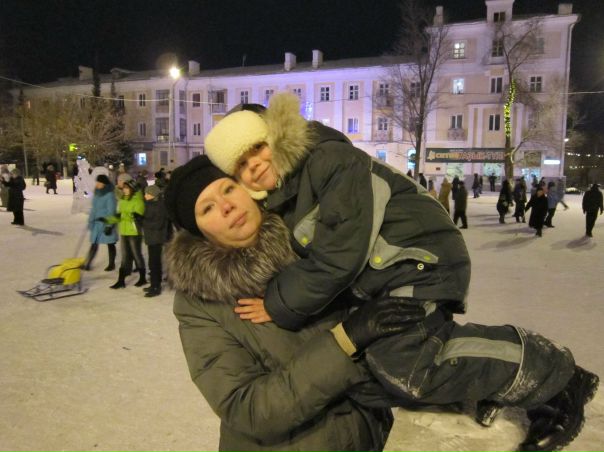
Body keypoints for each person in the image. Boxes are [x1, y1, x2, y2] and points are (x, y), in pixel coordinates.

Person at [164, 156, 599, 452]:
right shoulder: (201, 303)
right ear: (199, 231)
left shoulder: (309, 240)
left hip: (367, 434)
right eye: (207, 208)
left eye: (227, 188)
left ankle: (545, 377)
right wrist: (345, 340)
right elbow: (247, 408)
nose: (227, 207)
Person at [106, 179, 146, 289]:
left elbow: (136, 216)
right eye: (124, 188)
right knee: (124, 256)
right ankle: (121, 280)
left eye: (127, 188)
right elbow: (119, 214)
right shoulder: (122, 200)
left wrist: (127, 215)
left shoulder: (138, 201)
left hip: (134, 232)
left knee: (136, 254)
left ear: (132, 189)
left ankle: (142, 278)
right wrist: (109, 224)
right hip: (124, 232)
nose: (124, 190)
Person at [83, 175, 118, 271]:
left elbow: (112, 211)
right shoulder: (97, 194)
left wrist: (109, 225)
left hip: (106, 223)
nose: (97, 184)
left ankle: (111, 264)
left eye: (99, 182)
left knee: (110, 243)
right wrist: (90, 221)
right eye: (97, 182)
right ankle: (88, 263)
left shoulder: (110, 195)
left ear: (104, 184)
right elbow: (93, 209)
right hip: (97, 224)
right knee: (94, 243)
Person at [141, 185, 170, 297]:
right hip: (151, 237)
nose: (145, 195)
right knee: (152, 262)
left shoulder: (159, 206)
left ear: (153, 195)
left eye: (147, 193)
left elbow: (158, 224)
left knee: (155, 263)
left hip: (157, 238)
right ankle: (154, 284)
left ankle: (156, 286)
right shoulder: (149, 204)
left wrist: (143, 221)